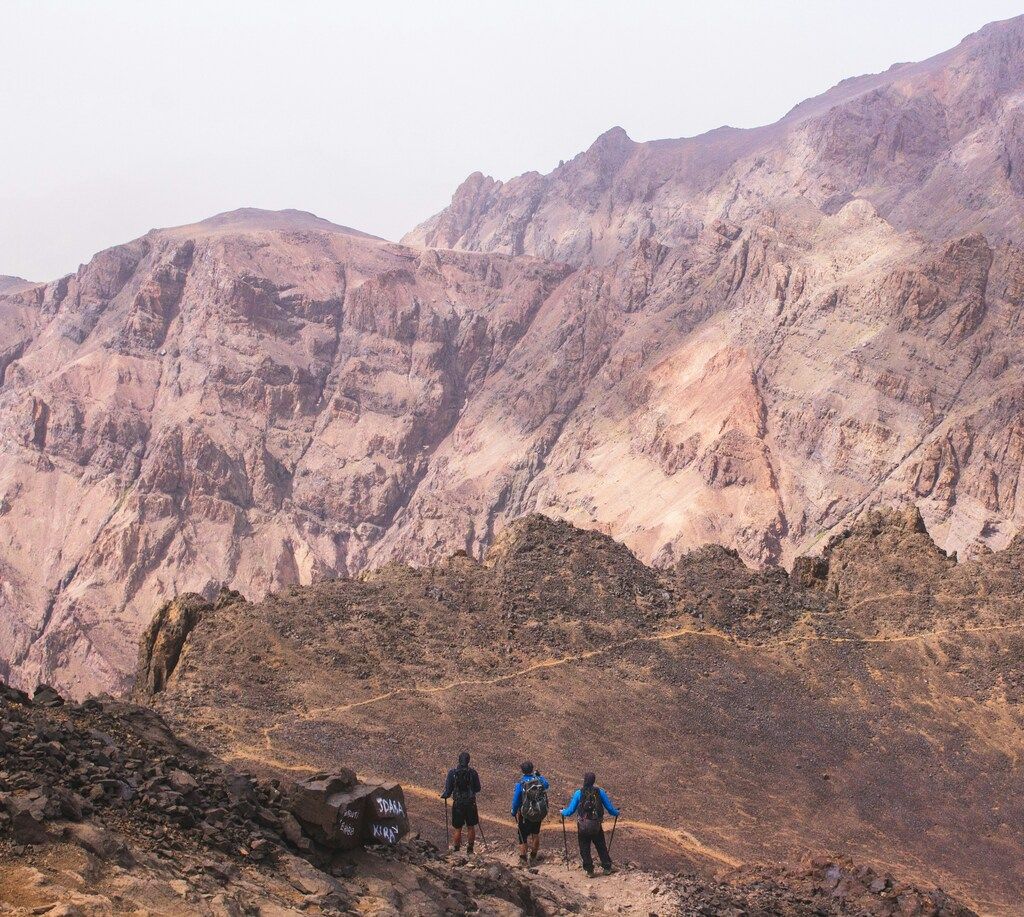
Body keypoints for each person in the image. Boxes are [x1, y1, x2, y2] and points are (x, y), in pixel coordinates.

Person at [560, 772, 620, 876]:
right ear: (594, 781)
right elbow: (610, 809)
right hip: (596, 825)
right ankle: (607, 867)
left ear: (584, 780)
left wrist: (562, 812)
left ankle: (589, 870)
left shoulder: (579, 793)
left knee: (584, 847)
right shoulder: (600, 792)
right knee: (601, 845)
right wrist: (617, 812)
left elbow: (570, 811)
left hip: (583, 826)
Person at [440, 751, 481, 853]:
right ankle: (470, 849)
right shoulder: (473, 773)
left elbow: (448, 790)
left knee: (457, 827)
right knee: (471, 826)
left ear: (459, 760)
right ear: (468, 761)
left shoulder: (452, 773)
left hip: (458, 803)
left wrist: (445, 795)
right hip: (470, 803)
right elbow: (478, 788)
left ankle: (456, 848)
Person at [510, 760, 549, 864]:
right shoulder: (539, 780)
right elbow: (547, 785)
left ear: (522, 771)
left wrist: (513, 811)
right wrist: (540, 776)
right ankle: (533, 856)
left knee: (522, 836)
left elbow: (516, 800)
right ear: (532, 769)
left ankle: (523, 859)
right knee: (535, 834)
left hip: (525, 815)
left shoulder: (521, 783)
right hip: (538, 812)